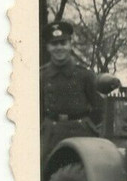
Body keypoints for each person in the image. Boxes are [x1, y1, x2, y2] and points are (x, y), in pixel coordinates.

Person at [40, 20, 103, 171]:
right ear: (48, 47)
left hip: (80, 132)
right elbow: (38, 109)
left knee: (86, 173)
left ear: (70, 45)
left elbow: (99, 107)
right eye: (54, 44)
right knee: (42, 175)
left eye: (63, 43)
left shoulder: (84, 75)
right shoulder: (41, 76)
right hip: (51, 134)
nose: (59, 48)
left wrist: (87, 125)